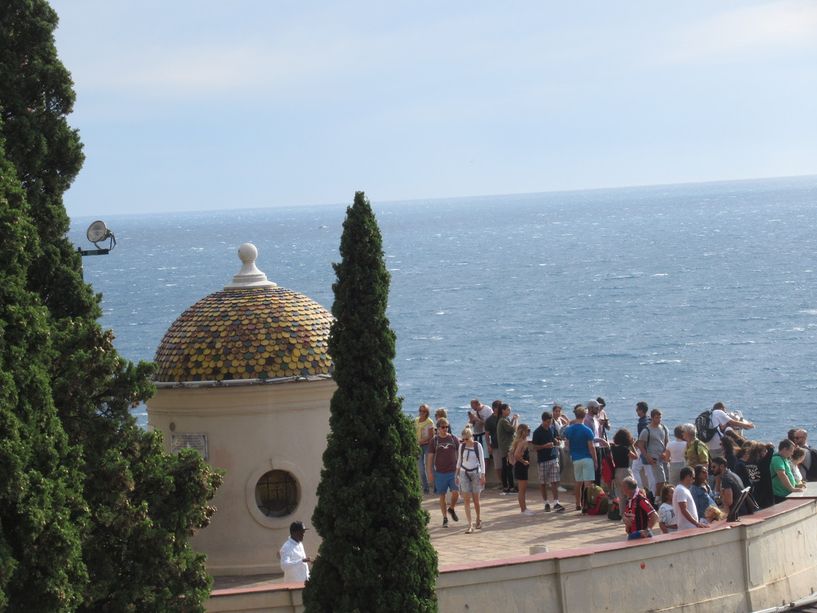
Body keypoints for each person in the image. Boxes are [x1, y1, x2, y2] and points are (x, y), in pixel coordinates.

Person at [426, 417, 460, 527]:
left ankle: (452, 508)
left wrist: (460, 469)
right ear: (438, 428)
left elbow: (460, 454)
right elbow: (430, 457)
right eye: (443, 427)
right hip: (440, 472)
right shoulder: (434, 441)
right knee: (442, 495)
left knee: (456, 492)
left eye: (447, 427)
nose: (445, 429)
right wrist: (430, 473)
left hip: (453, 471)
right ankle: (445, 518)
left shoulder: (454, 439)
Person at [564, 406, 597, 511]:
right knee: (587, 483)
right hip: (587, 458)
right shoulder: (587, 430)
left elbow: (567, 445)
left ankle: (578, 504)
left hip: (576, 458)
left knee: (578, 482)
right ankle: (586, 505)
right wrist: (595, 461)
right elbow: (591, 448)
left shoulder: (569, 430)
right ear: (584, 416)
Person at [531, 411, 565, 512]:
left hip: (553, 458)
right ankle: (546, 502)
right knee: (543, 483)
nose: (549, 424)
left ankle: (556, 502)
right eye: (547, 422)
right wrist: (544, 446)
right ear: (543, 421)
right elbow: (534, 447)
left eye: (550, 422)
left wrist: (557, 441)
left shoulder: (552, 428)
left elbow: (557, 437)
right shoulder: (537, 432)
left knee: (554, 481)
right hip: (542, 460)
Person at [455, 426, 485, 533]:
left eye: (466, 439)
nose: (465, 441)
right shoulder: (462, 446)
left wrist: (483, 475)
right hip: (464, 472)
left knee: (476, 500)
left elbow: (482, 461)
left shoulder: (478, 446)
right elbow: (459, 460)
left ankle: (478, 519)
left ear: (471, 437)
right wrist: (456, 474)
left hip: (475, 473)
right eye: (463, 439)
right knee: (466, 500)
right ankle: (469, 524)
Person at [637, 408, 670, 498]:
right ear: (652, 418)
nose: (659, 419)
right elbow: (640, 445)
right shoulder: (646, 430)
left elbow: (667, 442)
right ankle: (657, 499)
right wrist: (647, 457)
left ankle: (660, 498)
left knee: (666, 479)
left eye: (660, 417)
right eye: (656, 417)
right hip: (654, 458)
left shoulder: (664, 428)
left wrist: (666, 453)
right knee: (661, 480)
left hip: (663, 457)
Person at [673, 466, 708, 531]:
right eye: (693, 478)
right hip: (687, 528)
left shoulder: (683, 489)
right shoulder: (681, 490)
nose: (694, 480)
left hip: (690, 527)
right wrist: (697, 523)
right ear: (688, 476)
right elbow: (683, 509)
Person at [511, 423, 534, 515]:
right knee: (522, 490)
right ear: (523, 431)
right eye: (528, 430)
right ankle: (523, 509)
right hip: (521, 467)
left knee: (522, 490)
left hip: (519, 467)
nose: (529, 432)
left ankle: (524, 508)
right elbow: (516, 454)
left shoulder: (519, 441)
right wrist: (524, 461)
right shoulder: (522, 442)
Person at [496, 403, 519, 494]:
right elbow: (513, 429)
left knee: (506, 468)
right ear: (503, 410)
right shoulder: (503, 421)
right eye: (508, 410)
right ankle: (510, 487)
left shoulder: (504, 420)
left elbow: (509, 429)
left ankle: (506, 486)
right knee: (509, 468)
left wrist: (513, 419)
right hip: (506, 448)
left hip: (505, 447)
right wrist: (516, 420)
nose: (509, 411)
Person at [610, 428, 637, 501]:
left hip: (616, 472)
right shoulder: (625, 449)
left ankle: (621, 512)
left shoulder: (613, 448)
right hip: (625, 472)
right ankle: (630, 511)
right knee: (632, 493)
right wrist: (632, 445)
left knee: (621, 497)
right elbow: (635, 456)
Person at [631, 402, 652, 492]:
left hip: (644, 451)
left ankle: (640, 489)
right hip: (651, 449)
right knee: (647, 471)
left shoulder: (641, 423)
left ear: (641, 410)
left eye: (637, 410)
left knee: (636, 469)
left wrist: (633, 446)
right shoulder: (649, 420)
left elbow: (641, 439)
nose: (636, 412)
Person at [415, 404, 434, 494]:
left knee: (429, 467)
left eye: (424, 411)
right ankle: (425, 487)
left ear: (427, 412)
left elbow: (431, 436)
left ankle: (436, 487)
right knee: (421, 468)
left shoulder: (429, 422)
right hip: (418, 446)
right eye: (421, 410)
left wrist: (421, 442)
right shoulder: (415, 421)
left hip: (427, 446)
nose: (422, 413)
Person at [485, 400, 503, 486]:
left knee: (506, 466)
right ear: (494, 408)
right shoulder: (489, 420)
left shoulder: (504, 417)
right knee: (498, 466)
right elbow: (487, 434)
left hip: (505, 445)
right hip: (495, 445)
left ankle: (506, 482)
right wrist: (488, 446)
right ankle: (502, 482)